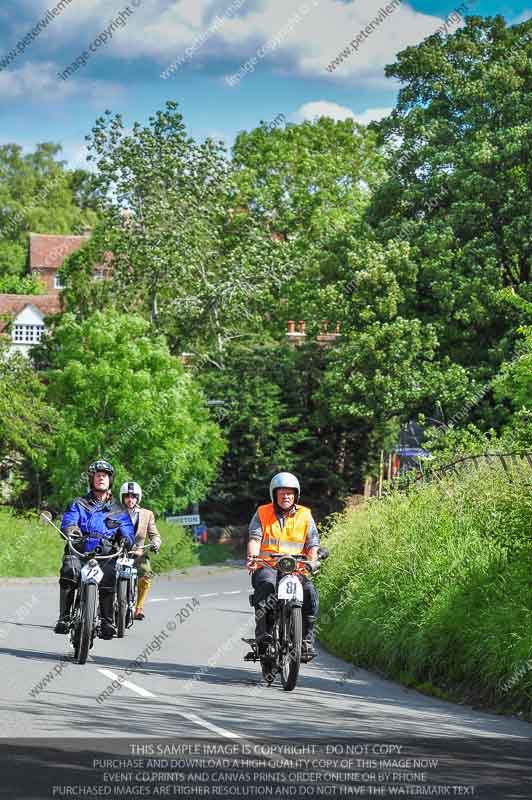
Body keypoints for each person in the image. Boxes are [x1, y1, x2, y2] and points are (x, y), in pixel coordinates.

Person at [54, 460, 135, 639]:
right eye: (97, 475)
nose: (101, 478)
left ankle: (107, 622)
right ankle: (65, 617)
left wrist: (125, 539)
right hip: (80, 549)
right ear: (91, 479)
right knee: (70, 570)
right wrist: (72, 530)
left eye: (104, 475)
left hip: (106, 553)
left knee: (109, 577)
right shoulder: (78, 503)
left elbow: (128, 532)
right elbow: (68, 522)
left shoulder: (119, 510)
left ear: (110, 481)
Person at [247, 472, 320, 659]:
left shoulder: (305, 515)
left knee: (310, 592)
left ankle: (306, 640)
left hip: (296, 568)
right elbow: (255, 539)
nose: (286, 496)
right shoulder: (263, 512)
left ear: (296, 495)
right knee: (266, 586)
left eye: (290, 493)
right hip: (268, 566)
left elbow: (312, 544)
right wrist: (252, 556)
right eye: (282, 493)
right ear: (274, 494)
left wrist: (312, 562)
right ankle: (264, 634)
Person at [120, 481, 161, 620]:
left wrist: (155, 543)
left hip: (138, 553)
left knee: (146, 574)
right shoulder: (115, 512)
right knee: (106, 576)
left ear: (138, 498)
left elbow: (154, 534)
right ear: (122, 497)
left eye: (133, 496)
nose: (130, 499)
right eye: (126, 496)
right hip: (118, 553)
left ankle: (139, 607)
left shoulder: (147, 514)